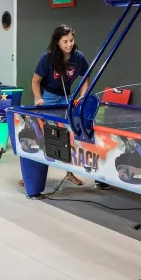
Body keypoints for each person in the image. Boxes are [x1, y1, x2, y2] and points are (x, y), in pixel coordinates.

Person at [31, 24, 92, 188]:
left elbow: (86, 77)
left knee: (67, 136)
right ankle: (31, 175)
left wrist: (82, 96)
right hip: (47, 97)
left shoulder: (78, 57)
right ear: (57, 42)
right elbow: (35, 81)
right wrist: (38, 98)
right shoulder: (47, 58)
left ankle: (69, 173)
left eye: (71, 40)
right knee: (40, 135)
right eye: (65, 41)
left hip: (66, 98)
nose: (69, 44)